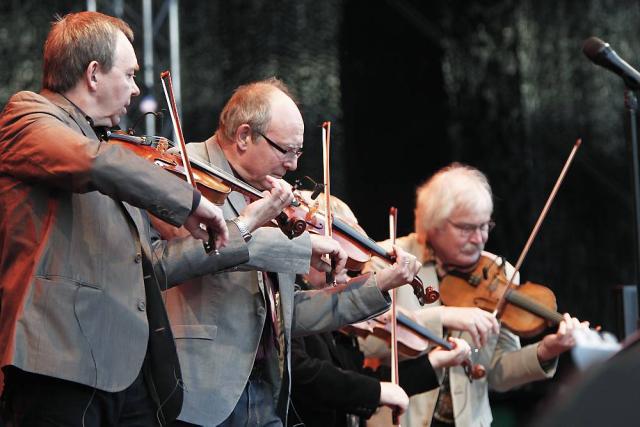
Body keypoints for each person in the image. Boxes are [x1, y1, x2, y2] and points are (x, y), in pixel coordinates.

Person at [0, 11, 288, 426]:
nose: (136, 89)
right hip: (59, 363)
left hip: (127, 374)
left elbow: (154, 265)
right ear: (94, 74)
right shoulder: (28, 116)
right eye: (130, 74)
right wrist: (190, 201)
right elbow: (95, 163)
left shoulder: (116, 155)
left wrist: (240, 226)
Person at [161, 78, 421, 427]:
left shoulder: (271, 198)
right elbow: (200, 251)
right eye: (286, 150)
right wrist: (299, 244)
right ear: (243, 136)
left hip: (267, 394)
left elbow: (289, 315)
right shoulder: (183, 168)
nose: (294, 165)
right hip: (198, 390)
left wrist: (379, 284)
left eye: (298, 152)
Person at [363, 163, 586, 427]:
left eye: (485, 226)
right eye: (467, 228)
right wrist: (442, 317)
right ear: (434, 224)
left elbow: (498, 373)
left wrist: (547, 351)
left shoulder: (499, 273)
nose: (480, 238)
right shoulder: (386, 260)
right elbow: (367, 343)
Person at [288, 192, 472, 427]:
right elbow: (302, 373)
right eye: (336, 253)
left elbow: (358, 379)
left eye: (350, 259)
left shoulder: (338, 316)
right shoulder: (290, 298)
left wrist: (433, 361)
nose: (345, 271)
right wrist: (375, 392)